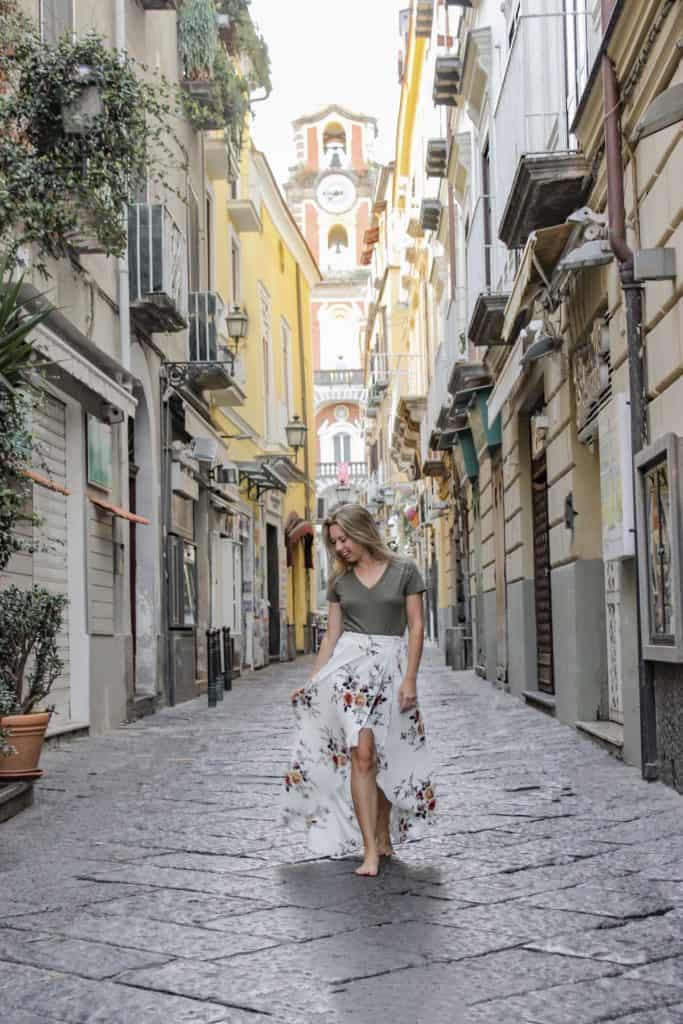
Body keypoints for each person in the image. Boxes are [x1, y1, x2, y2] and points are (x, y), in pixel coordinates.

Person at [282, 503, 436, 877]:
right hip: (350, 674)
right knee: (362, 755)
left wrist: (411, 678)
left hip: (391, 667)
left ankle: (384, 835)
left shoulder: (405, 570)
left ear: (362, 530)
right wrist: (312, 681)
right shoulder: (340, 582)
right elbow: (332, 636)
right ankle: (369, 848)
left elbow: (416, 627)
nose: (340, 548)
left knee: (387, 756)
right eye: (334, 542)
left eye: (344, 538)